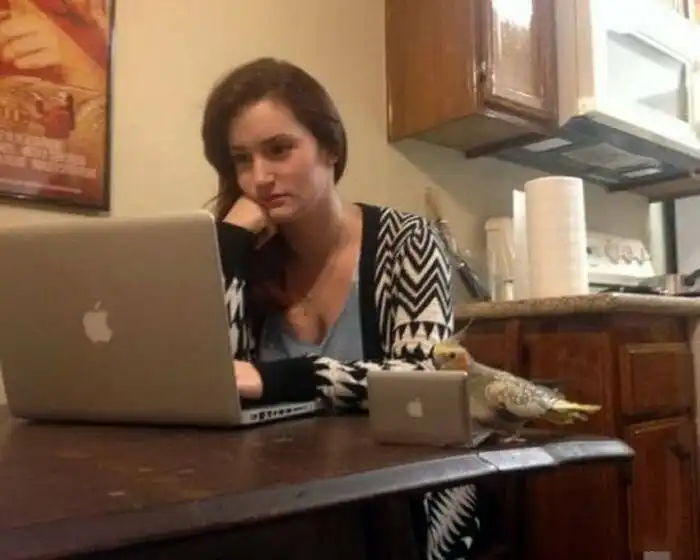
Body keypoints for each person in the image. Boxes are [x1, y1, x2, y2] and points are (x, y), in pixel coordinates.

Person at [201, 57, 483, 560]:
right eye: (242, 159)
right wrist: (230, 247)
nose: (259, 177)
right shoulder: (244, 252)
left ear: (330, 147)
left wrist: (286, 379)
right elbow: (213, 379)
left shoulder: (409, 241)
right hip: (280, 494)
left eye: (279, 149)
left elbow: (424, 378)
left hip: (402, 497)